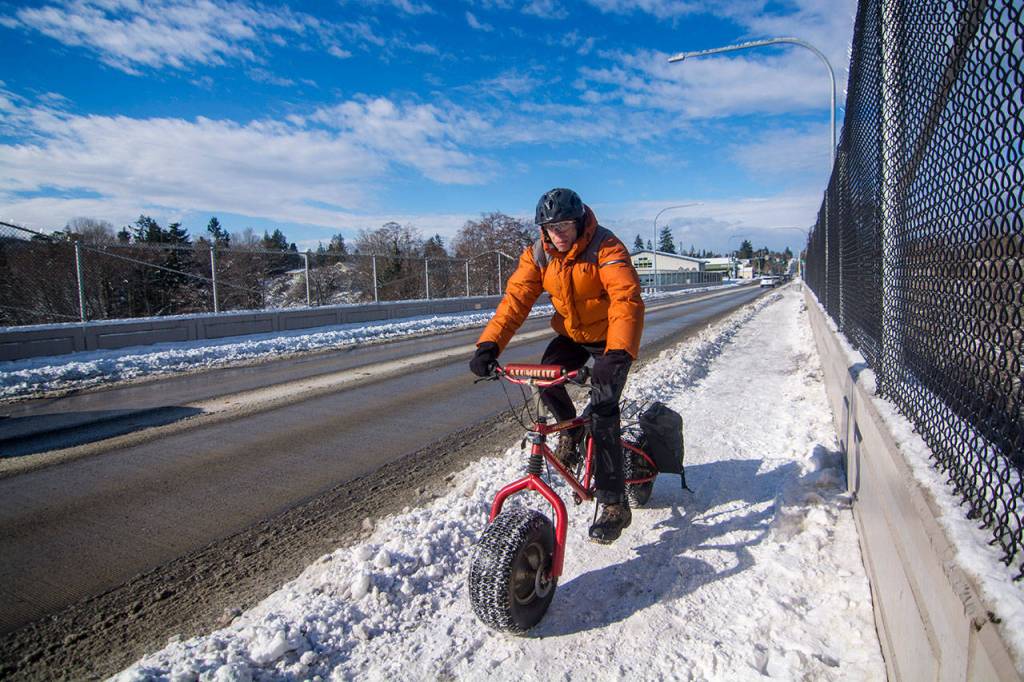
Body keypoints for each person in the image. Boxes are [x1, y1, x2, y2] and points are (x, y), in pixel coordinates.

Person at [469, 188, 645, 544]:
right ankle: (570, 428)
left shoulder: (605, 247)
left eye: (565, 225)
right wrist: (489, 344)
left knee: (604, 410)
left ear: (579, 222)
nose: (558, 233)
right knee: (546, 375)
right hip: (572, 334)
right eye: (550, 227)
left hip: (611, 338)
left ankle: (614, 504)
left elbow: (626, 299)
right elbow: (515, 300)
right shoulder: (539, 255)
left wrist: (617, 355)